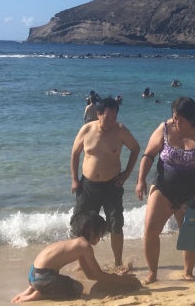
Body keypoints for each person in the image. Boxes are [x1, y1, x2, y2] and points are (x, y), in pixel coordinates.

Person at [135, 96, 195, 284]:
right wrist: (141, 180)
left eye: (179, 119)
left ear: (191, 119)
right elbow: (148, 155)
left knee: (190, 235)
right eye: (174, 117)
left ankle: (188, 272)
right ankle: (152, 273)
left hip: (192, 192)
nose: (175, 121)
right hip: (163, 187)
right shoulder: (164, 128)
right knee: (150, 230)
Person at [70, 96, 140, 270]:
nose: (111, 121)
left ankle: (118, 263)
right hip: (88, 186)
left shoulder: (120, 131)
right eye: (107, 117)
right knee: (81, 224)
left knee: (116, 222)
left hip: (112, 185)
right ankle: (82, 262)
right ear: (99, 114)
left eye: (114, 117)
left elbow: (136, 149)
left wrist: (126, 174)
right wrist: (74, 179)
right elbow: (75, 154)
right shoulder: (86, 130)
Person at [11, 211, 140, 303]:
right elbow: (98, 275)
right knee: (77, 288)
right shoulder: (84, 246)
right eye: (100, 233)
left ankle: (30, 290)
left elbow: (91, 275)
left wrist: (111, 276)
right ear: (91, 230)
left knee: (57, 279)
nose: (101, 237)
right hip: (44, 278)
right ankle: (39, 294)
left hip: (33, 275)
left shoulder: (76, 243)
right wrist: (121, 279)